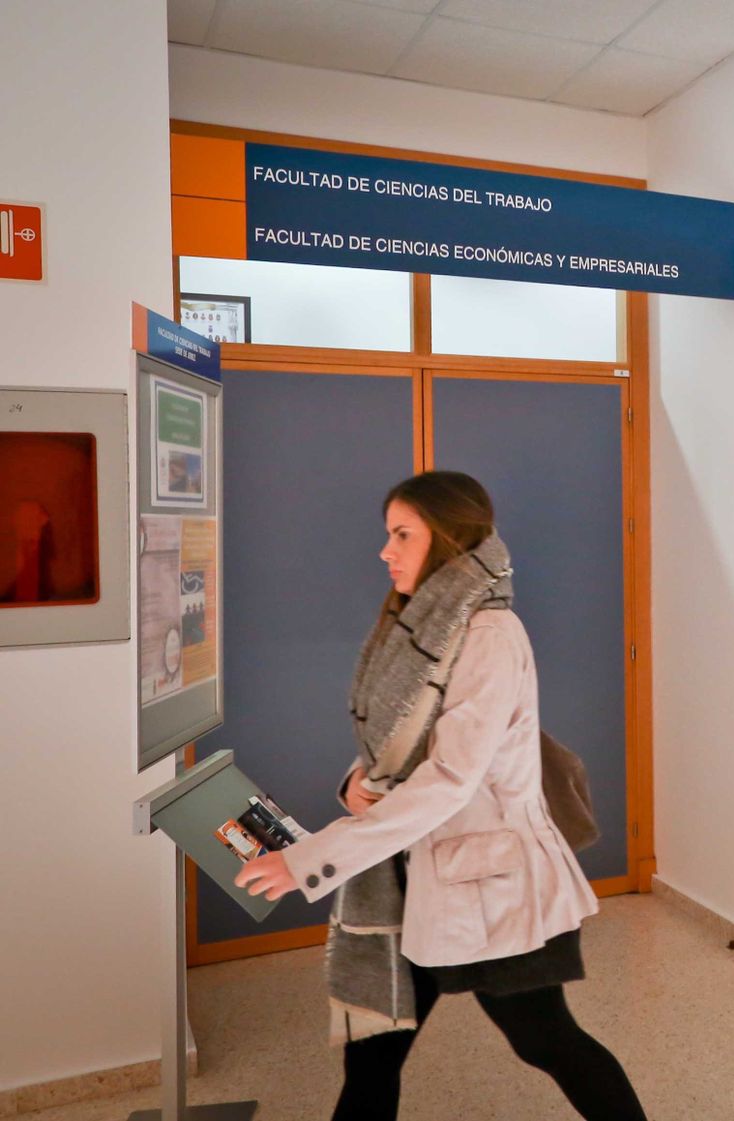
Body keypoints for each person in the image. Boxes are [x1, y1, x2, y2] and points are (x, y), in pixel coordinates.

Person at [236, 471, 647, 1121]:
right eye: (388, 534)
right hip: (412, 875)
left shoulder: (488, 635)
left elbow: (452, 777)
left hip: (490, 884)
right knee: (373, 1052)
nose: (386, 550)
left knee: (545, 1039)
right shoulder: (422, 623)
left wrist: (310, 856)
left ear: (448, 538)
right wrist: (357, 781)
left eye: (402, 534)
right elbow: (402, 743)